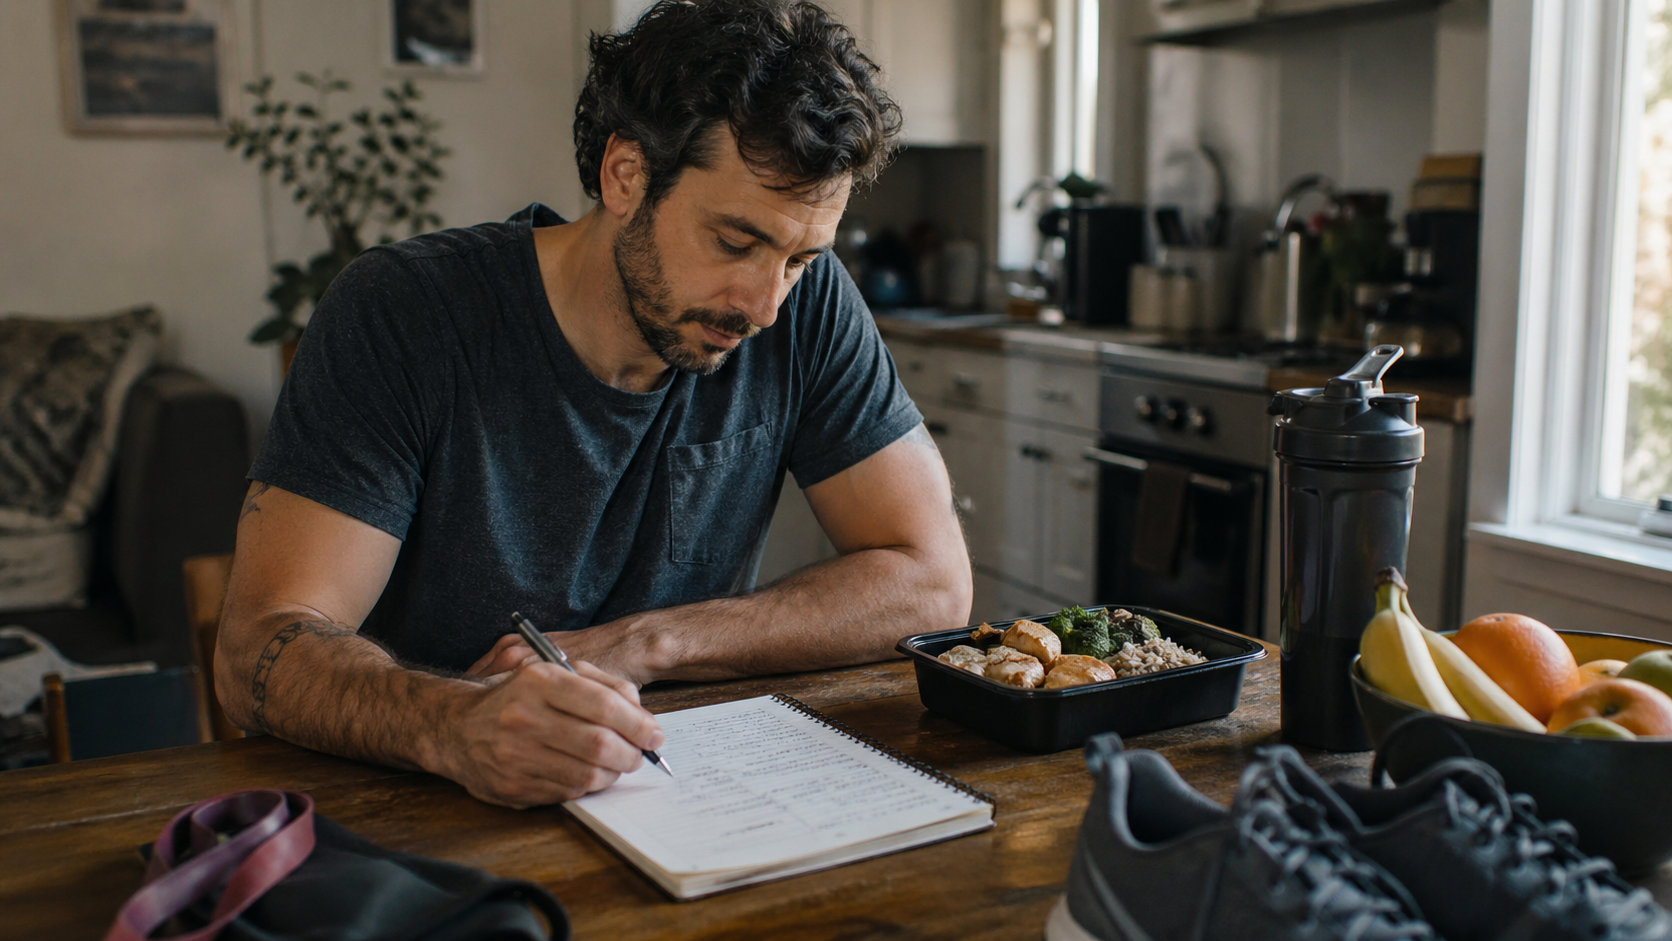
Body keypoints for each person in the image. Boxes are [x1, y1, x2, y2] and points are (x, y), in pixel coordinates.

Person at [214, 0, 972, 809]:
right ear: (625, 175)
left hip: (677, 801)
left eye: (799, 258)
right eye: (734, 241)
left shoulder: (806, 306)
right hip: (417, 812)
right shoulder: (405, 313)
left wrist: (648, 642)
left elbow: (930, 583)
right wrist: (453, 724)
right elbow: (257, 647)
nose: (764, 305)